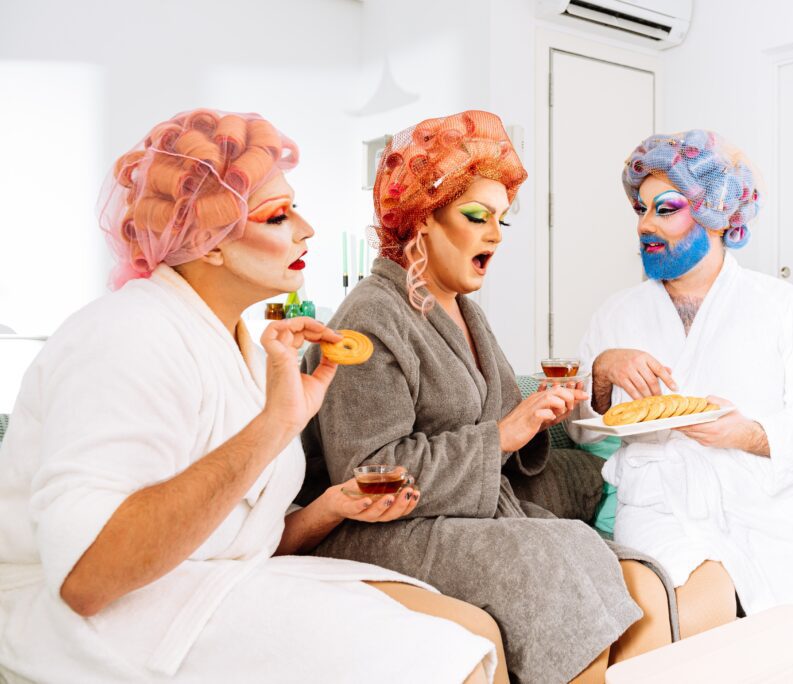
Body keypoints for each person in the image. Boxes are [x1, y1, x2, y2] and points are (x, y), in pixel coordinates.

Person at [0, 109, 500, 683]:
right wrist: (273, 425)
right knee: (443, 660)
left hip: (209, 582)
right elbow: (87, 578)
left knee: (475, 630)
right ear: (206, 244)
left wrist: (328, 508)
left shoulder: (244, 345)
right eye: (278, 215)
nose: (307, 228)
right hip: (96, 619)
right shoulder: (126, 334)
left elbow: (237, 537)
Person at [301, 110, 673, 684]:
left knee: (581, 544)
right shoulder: (373, 316)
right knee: (544, 563)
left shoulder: (461, 308)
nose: (496, 235)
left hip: (456, 509)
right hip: (380, 528)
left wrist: (544, 409)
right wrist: (502, 435)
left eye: (502, 219)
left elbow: (500, 415)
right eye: (477, 216)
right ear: (421, 219)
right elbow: (367, 472)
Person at [568, 130, 793, 638]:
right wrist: (601, 372)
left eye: (664, 208)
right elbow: (582, 432)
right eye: (640, 209)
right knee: (690, 632)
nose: (645, 224)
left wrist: (748, 434)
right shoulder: (617, 315)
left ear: (716, 215)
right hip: (662, 506)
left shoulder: (782, 306)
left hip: (775, 502)